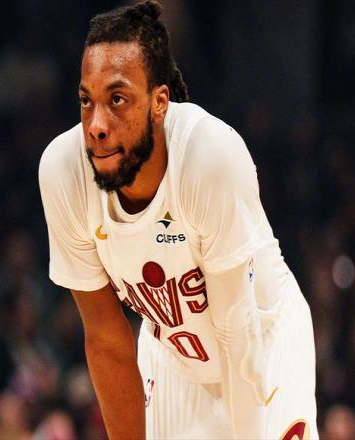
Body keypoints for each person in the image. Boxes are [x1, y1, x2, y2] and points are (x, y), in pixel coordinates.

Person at [39, 1, 318, 439]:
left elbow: (236, 332)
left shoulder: (209, 157)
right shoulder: (63, 172)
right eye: (86, 101)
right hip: (176, 356)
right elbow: (107, 340)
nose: (96, 124)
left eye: (117, 100)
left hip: (262, 340)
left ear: (160, 102)